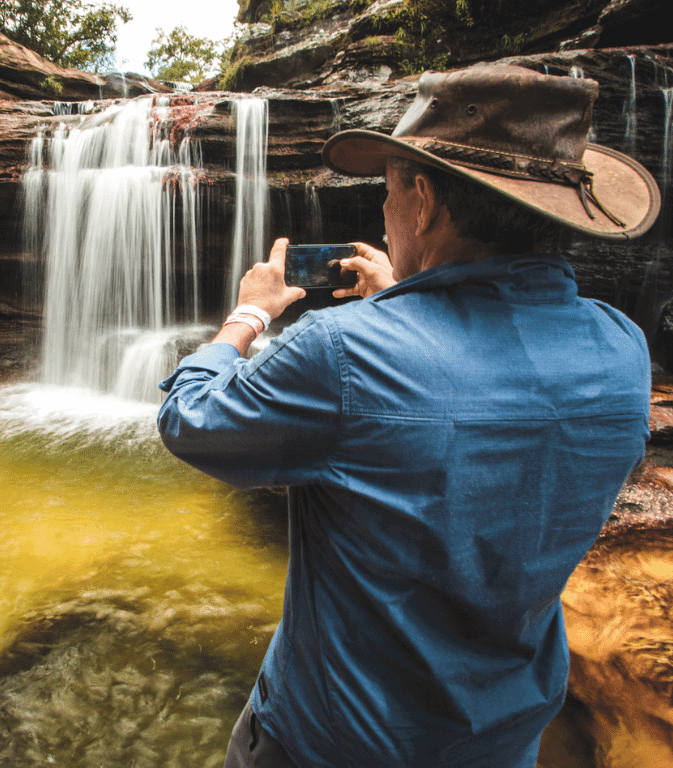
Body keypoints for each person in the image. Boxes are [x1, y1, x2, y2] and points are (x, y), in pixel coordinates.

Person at [156, 64, 662, 768]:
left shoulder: (342, 352)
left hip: (331, 743)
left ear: (422, 200)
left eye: (388, 192)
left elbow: (191, 418)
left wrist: (249, 314)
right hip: (502, 739)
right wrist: (404, 301)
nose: (387, 215)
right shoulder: (621, 348)